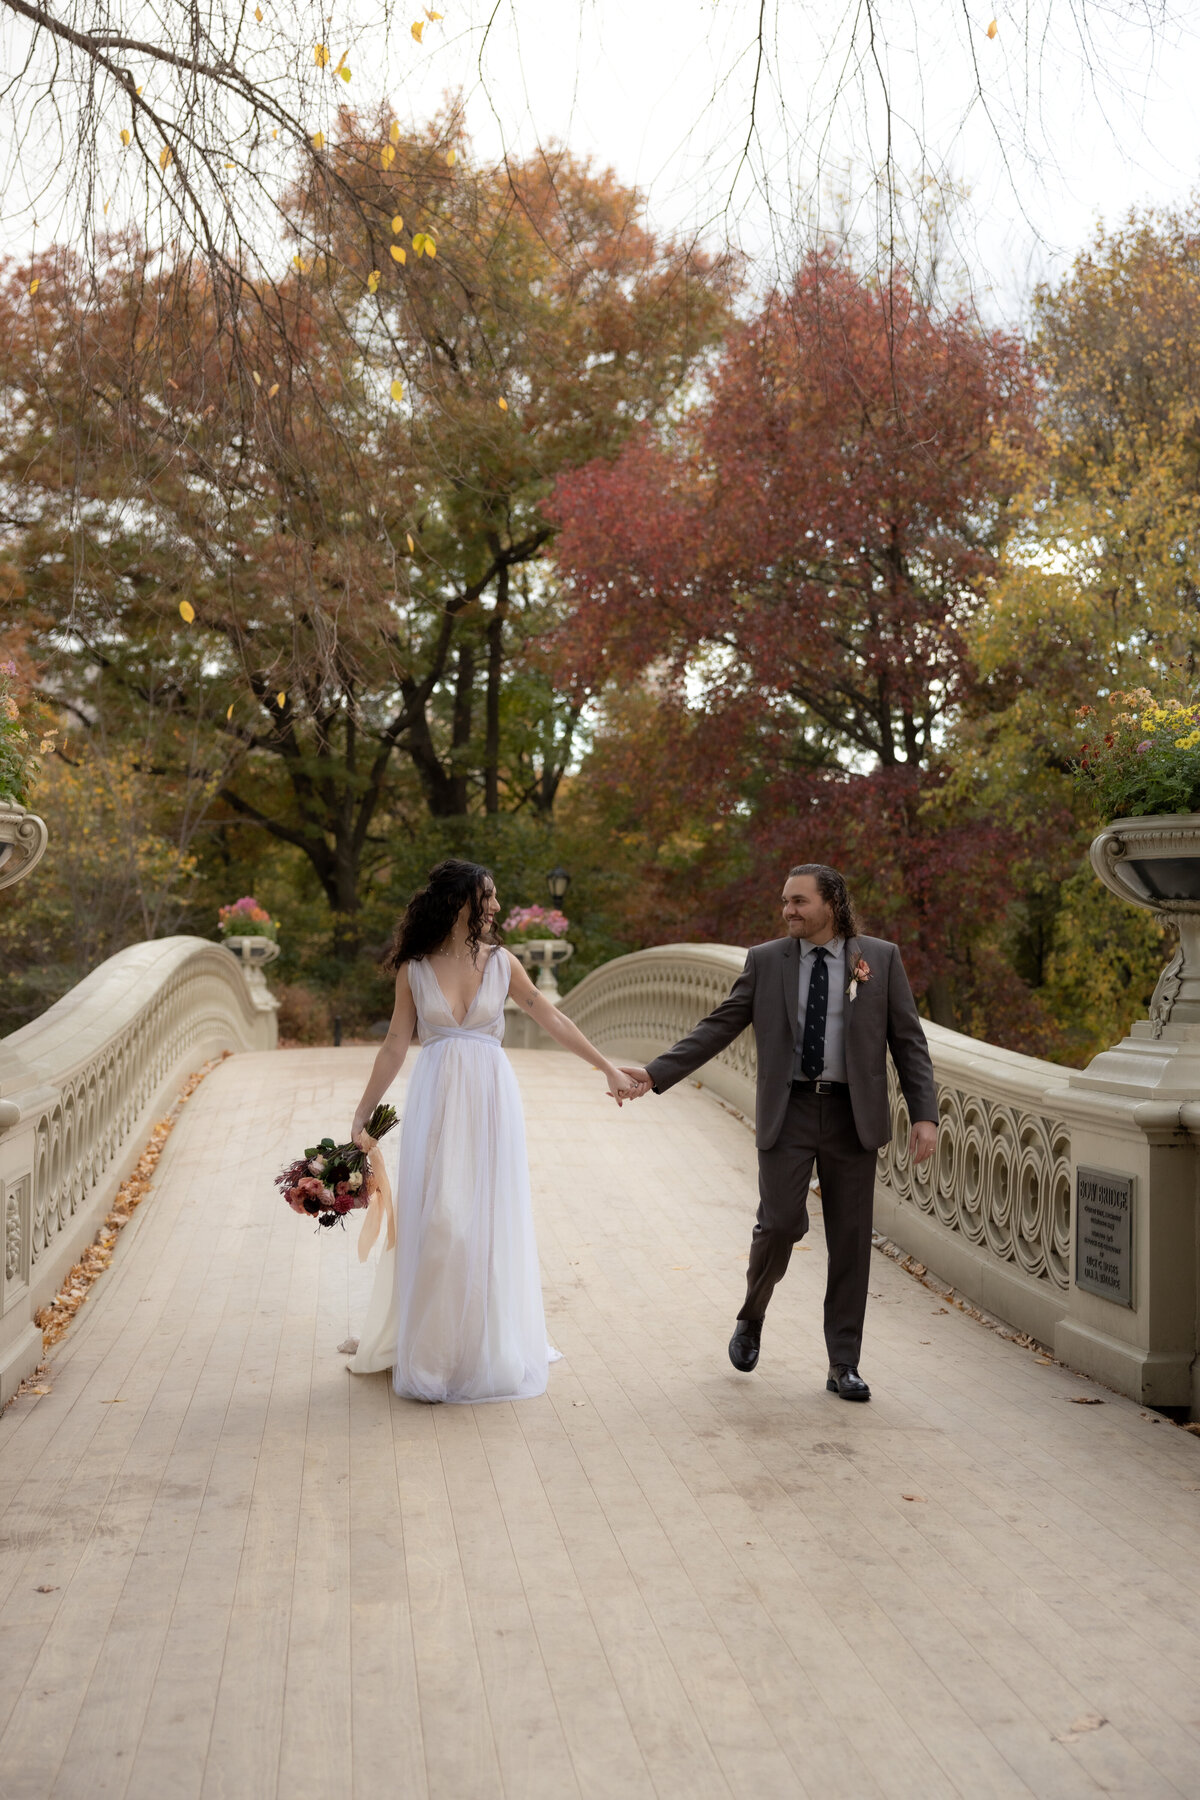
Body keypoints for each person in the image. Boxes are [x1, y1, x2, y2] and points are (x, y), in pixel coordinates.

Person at [619, 864, 938, 1401]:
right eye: (785, 901)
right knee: (781, 1224)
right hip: (787, 1113)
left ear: (831, 903)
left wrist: (924, 1113)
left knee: (851, 1242)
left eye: (799, 901)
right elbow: (719, 1025)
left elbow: (908, 1041)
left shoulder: (878, 959)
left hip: (852, 1118)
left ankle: (844, 1364)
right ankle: (752, 1314)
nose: (788, 910)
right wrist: (654, 1074)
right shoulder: (766, 961)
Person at [345, 859, 635, 1402]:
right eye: (490, 897)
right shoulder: (414, 968)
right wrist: (363, 1113)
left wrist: (609, 1069)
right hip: (436, 1099)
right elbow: (394, 1043)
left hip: (490, 1099)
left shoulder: (503, 962)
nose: (498, 907)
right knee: (440, 1221)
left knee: (484, 1220)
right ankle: (431, 1354)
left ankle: (481, 1349)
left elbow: (554, 1018)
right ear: (462, 905)